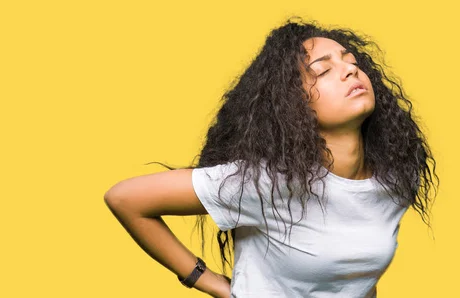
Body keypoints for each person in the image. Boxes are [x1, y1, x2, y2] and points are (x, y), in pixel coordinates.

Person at [104, 16, 439, 298]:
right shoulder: (268, 182)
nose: (350, 71)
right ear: (293, 106)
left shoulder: (394, 180)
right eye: (322, 72)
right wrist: (207, 282)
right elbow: (126, 199)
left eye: (351, 62)